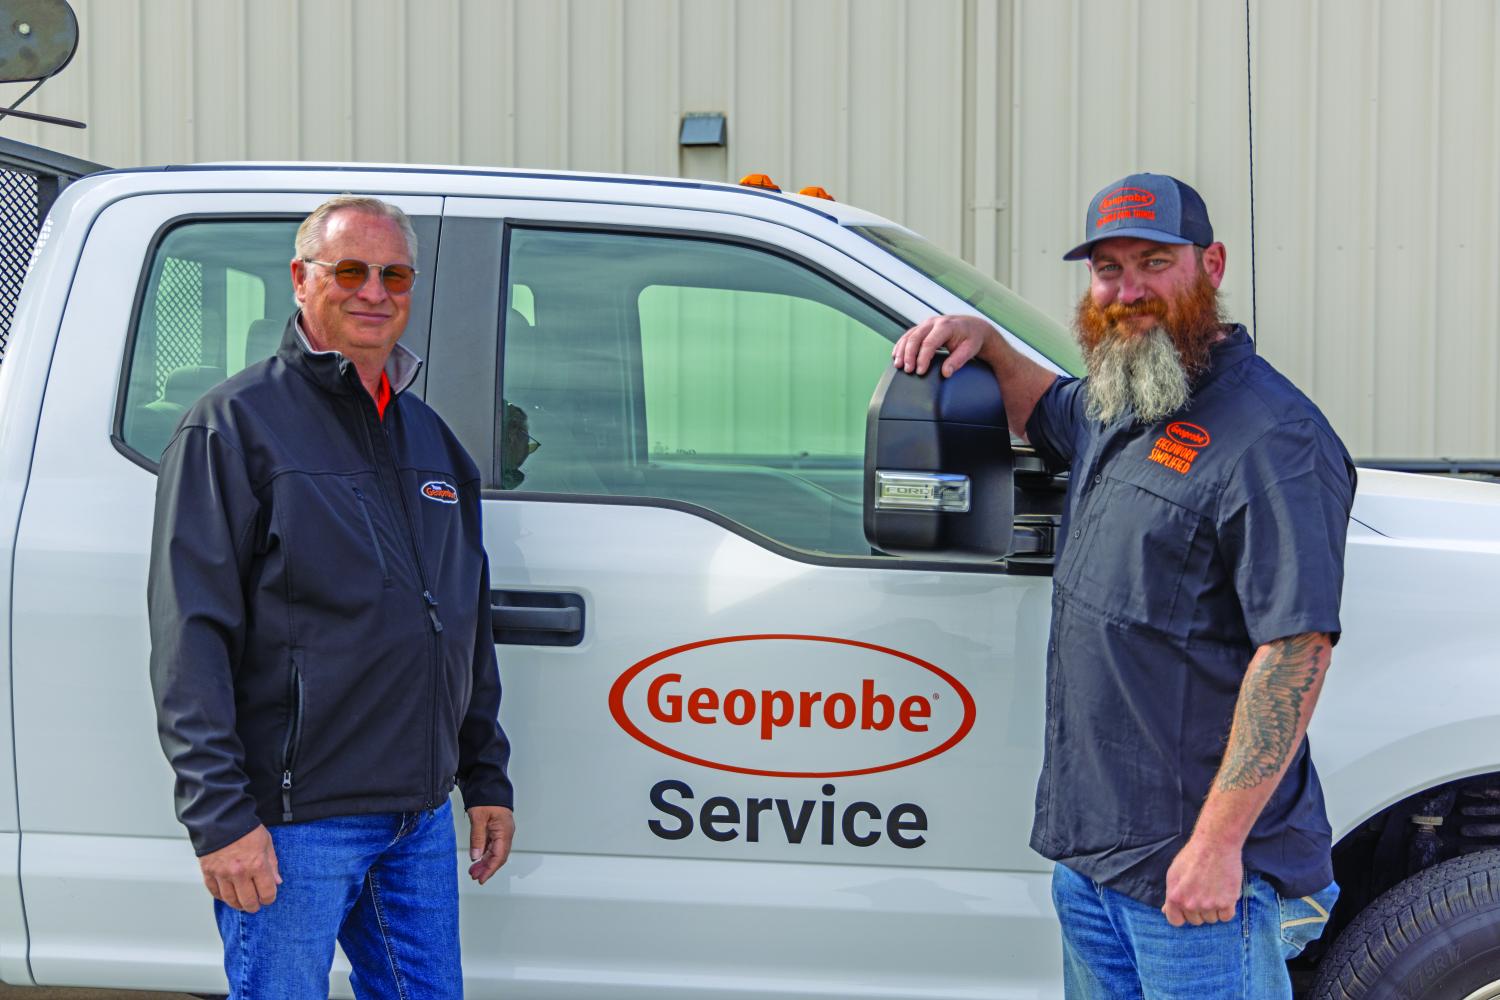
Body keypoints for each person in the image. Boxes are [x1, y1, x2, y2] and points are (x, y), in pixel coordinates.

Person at [893, 173, 1355, 998]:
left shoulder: (1272, 439)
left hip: (1196, 883)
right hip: (1095, 861)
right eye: (1108, 268)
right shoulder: (1127, 396)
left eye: (1153, 261)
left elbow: (1295, 651)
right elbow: (1044, 408)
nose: (1127, 288)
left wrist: (1216, 849)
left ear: (1210, 265)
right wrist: (986, 345)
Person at [148, 195, 514, 999]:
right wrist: (220, 818)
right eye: (350, 270)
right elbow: (191, 640)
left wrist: (484, 775)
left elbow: (463, 618)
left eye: (394, 275)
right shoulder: (233, 428)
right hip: (294, 822)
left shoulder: (431, 440)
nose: (373, 292)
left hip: (414, 819)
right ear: (300, 279)